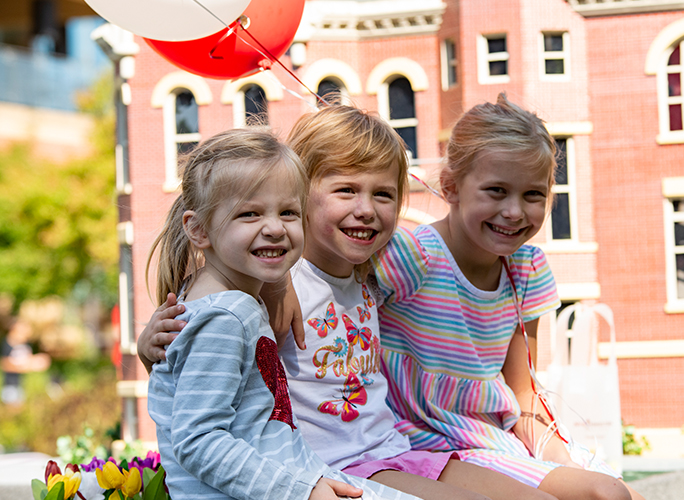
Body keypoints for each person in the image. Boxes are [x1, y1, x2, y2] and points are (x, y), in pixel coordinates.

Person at [141, 104, 559, 500]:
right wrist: (153, 347)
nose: (366, 210)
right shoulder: (268, 289)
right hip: (332, 466)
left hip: (394, 447)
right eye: (345, 190)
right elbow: (197, 380)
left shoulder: (369, 269)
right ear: (302, 195)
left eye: (383, 195)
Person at [371, 94, 643, 500]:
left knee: (620, 494)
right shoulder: (412, 257)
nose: (514, 211)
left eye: (533, 195)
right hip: (424, 445)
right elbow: (333, 301)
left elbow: (522, 391)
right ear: (450, 186)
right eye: (496, 191)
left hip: (495, 440)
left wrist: (561, 458)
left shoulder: (527, 268)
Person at [144, 126, 419, 500]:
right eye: (249, 214)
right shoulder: (225, 316)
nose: (275, 228)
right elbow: (198, 442)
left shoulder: (228, 302)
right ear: (198, 229)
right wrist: (303, 492)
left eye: (288, 212)